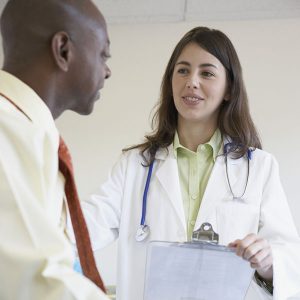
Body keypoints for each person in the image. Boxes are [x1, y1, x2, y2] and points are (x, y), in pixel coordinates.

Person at [74, 27, 300, 300]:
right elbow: (85, 225)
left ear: (229, 88)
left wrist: (268, 261)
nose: (191, 81)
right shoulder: (136, 166)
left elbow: (288, 255)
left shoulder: (259, 167)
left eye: (206, 73)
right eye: (182, 71)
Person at [0, 0, 111, 299]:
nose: (108, 70)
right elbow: (37, 281)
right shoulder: (5, 129)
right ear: (63, 50)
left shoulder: (30, 134)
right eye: (103, 54)